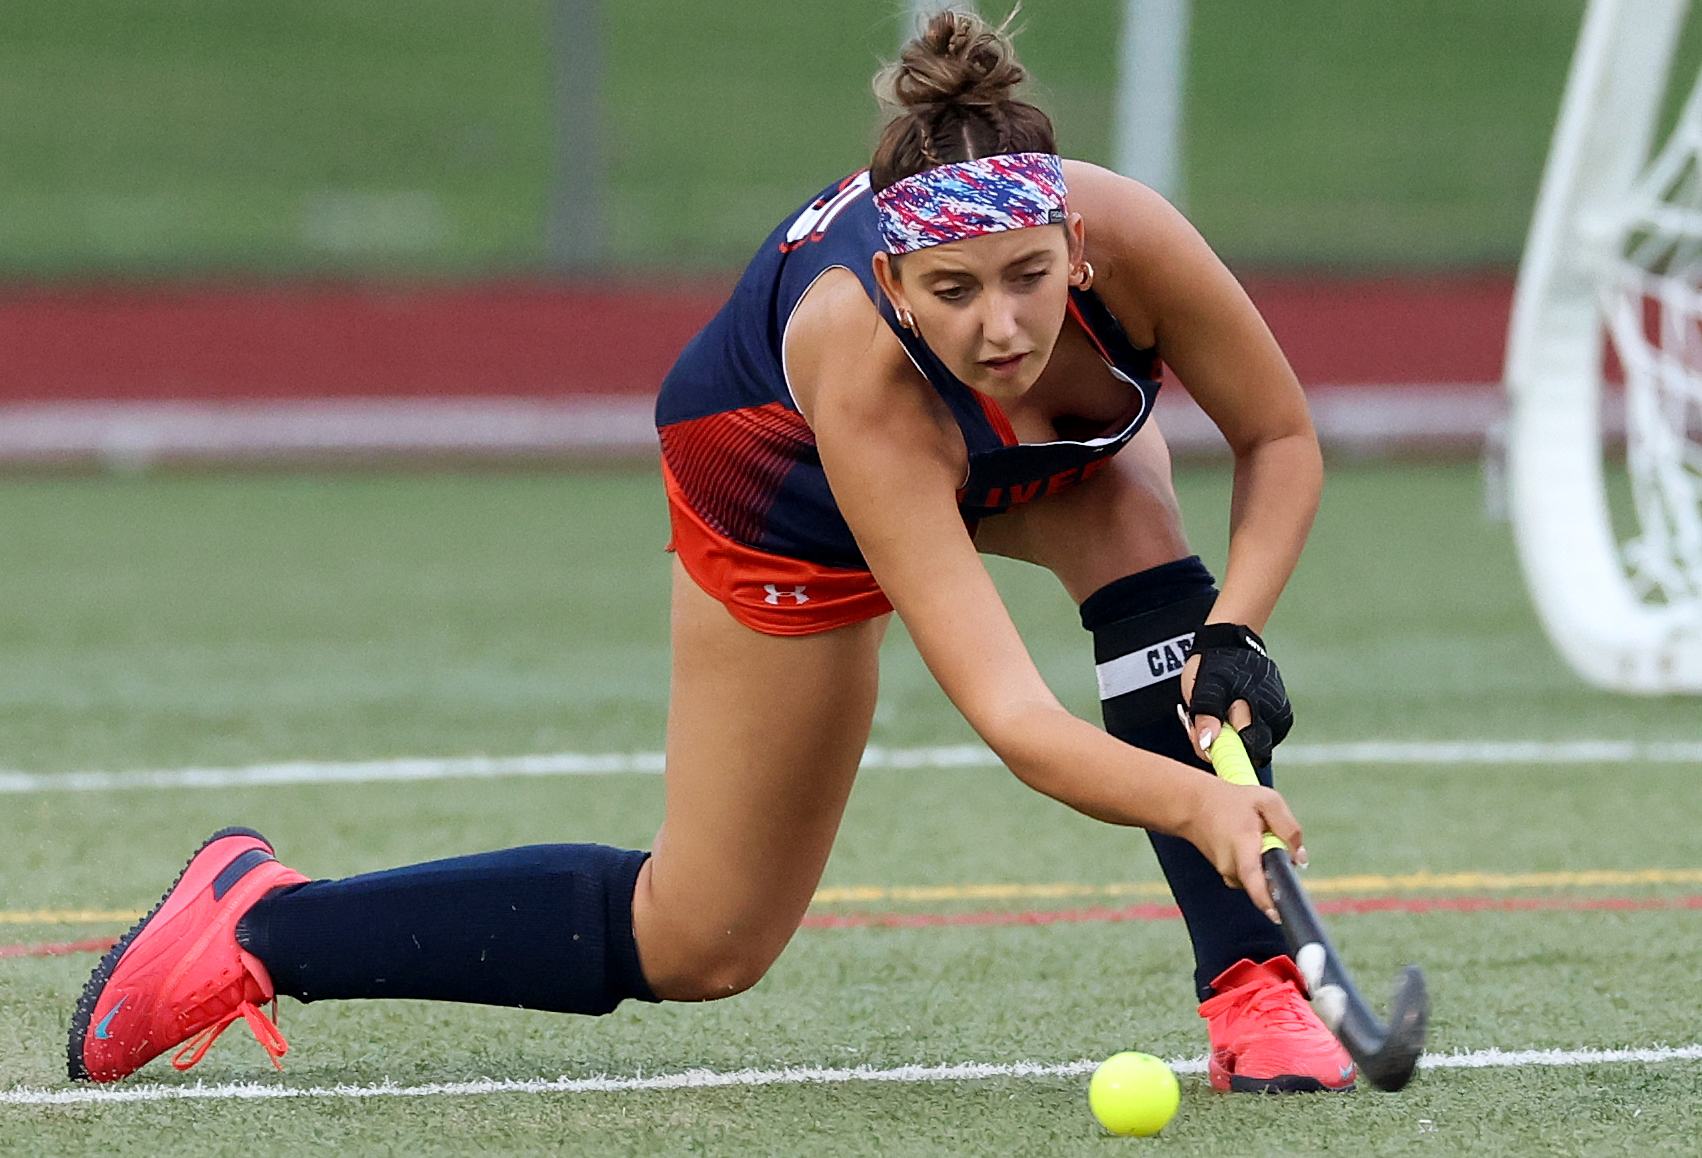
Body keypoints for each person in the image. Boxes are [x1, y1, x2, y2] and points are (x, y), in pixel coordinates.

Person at [69, 10, 1347, 1094]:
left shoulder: (1130, 240)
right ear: (896, 280)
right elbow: (1012, 717)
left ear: (1071, 242)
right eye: (952, 291)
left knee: (1135, 517)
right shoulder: (862, 373)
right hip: (781, 492)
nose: (1001, 327)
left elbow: (1279, 435)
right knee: (707, 941)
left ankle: (1254, 989)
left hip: (1032, 472)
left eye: (1023, 278)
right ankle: (261, 923)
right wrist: (1201, 798)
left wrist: (1235, 631)